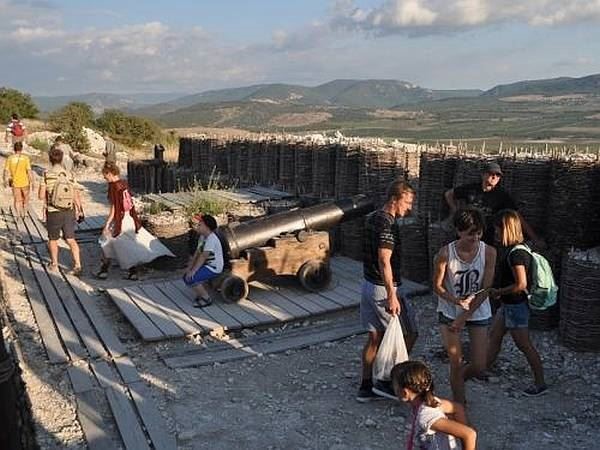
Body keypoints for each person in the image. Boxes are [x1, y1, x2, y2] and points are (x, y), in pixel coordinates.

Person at [356, 180, 418, 402]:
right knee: (408, 333)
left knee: (374, 338)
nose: (408, 208)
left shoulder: (372, 217)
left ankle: (365, 386)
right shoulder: (388, 225)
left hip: (368, 285)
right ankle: (388, 381)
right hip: (384, 288)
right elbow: (384, 260)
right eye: (407, 202)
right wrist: (392, 294)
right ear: (394, 199)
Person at [432, 207, 496, 404]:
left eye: (478, 233)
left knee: (479, 365)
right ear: (459, 231)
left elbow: (486, 289)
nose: (475, 238)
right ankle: (460, 406)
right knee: (456, 361)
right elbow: (437, 286)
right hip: (450, 309)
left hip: (476, 310)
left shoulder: (489, 252)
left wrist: (463, 317)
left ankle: (457, 382)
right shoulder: (445, 254)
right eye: (470, 233)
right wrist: (456, 301)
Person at [487, 209, 547, 397]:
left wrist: (498, 292)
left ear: (507, 229)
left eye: (498, 229)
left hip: (516, 305)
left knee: (524, 344)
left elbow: (521, 284)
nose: (496, 233)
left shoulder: (516, 255)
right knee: (494, 336)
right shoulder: (516, 250)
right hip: (508, 305)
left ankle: (540, 382)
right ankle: (484, 369)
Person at [96, 162, 173, 280]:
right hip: (128, 218)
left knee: (105, 241)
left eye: (105, 175)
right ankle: (132, 272)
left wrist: (107, 224)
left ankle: (104, 270)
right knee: (128, 243)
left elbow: (114, 208)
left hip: (119, 219)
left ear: (110, 174)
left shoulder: (113, 186)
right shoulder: (124, 183)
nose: (104, 178)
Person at [444, 161, 542, 247]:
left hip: (486, 236)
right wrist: (455, 211)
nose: (494, 177)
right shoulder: (471, 189)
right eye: (491, 174)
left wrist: (535, 239)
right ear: (483, 175)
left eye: (498, 175)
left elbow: (517, 216)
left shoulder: (501, 196)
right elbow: (449, 194)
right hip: (466, 232)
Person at [391, 360, 477, 450]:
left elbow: (469, 434)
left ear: (405, 392)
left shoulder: (425, 416)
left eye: (395, 386)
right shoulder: (432, 401)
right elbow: (457, 408)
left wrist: (462, 435)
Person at [38, 146, 83, 275]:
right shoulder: (69, 174)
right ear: (62, 159)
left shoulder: (47, 174)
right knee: (70, 239)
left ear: (50, 159)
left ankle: (55, 264)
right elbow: (75, 194)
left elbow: (41, 196)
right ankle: (78, 265)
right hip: (69, 210)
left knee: (53, 239)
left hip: (53, 211)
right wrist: (80, 210)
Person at [183, 213, 224, 307]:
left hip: (214, 267)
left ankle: (206, 298)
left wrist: (193, 271)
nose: (198, 226)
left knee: (191, 279)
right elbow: (197, 253)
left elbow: (203, 256)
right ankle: (200, 293)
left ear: (207, 227)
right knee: (186, 276)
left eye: (200, 225)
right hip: (206, 265)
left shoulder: (211, 239)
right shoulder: (202, 237)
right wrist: (189, 268)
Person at [3, 141, 34, 218]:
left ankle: (17, 214)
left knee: (17, 199)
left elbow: (6, 171)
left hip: (15, 182)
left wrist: (5, 181)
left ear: (14, 149)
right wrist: (32, 182)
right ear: (21, 149)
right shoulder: (25, 158)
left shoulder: (10, 158)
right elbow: (29, 171)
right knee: (26, 198)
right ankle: (25, 213)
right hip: (25, 182)